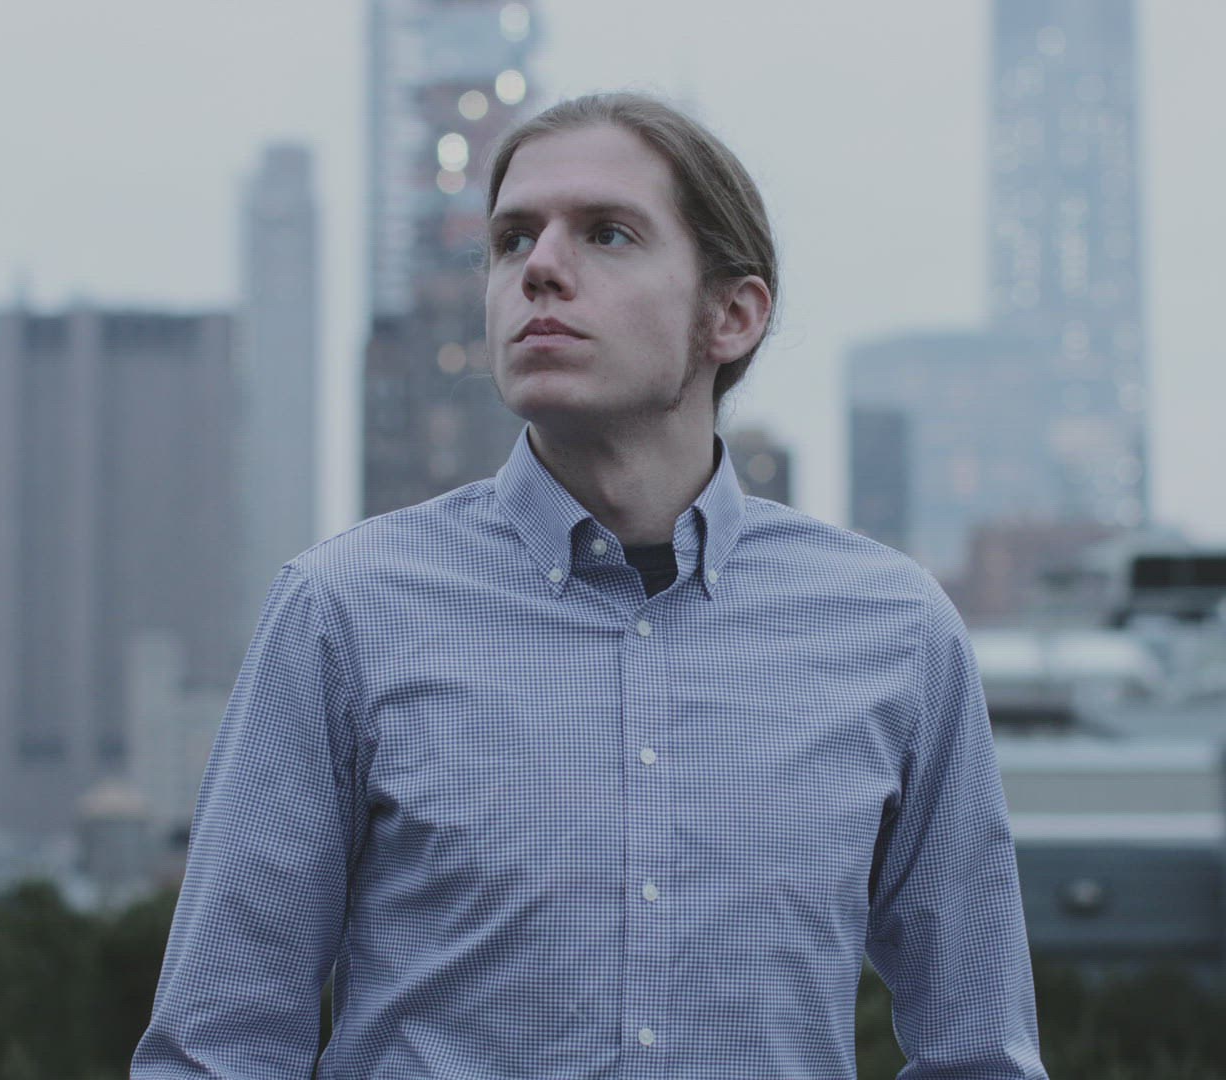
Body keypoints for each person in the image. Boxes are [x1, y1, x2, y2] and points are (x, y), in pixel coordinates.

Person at [132, 92, 1047, 1079]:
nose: (540, 268)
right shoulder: (345, 612)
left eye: (607, 234)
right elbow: (218, 1050)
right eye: (512, 239)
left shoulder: (895, 632)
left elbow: (980, 1052)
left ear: (731, 316)